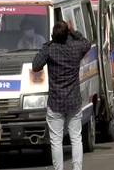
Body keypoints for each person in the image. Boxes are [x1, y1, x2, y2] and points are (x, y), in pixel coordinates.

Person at [32, 21, 91, 170]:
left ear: (53, 35)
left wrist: (48, 44)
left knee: (56, 141)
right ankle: (77, 168)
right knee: (76, 138)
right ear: (67, 34)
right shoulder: (76, 47)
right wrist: (73, 31)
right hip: (74, 101)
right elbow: (86, 43)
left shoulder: (49, 49)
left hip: (55, 102)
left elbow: (35, 66)